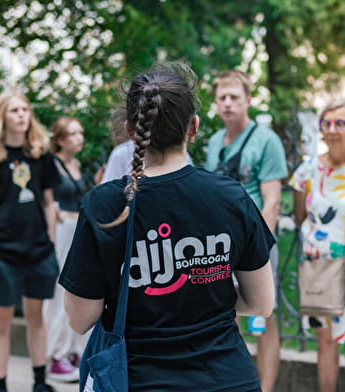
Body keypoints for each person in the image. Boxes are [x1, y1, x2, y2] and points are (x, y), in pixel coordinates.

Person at [59, 62, 275, 392]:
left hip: (138, 379)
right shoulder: (231, 196)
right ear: (194, 127)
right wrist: (202, 292)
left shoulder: (105, 204)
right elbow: (261, 303)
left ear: (131, 132)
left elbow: (79, 319)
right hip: (228, 379)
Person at [205, 69, 287, 392]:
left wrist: (257, 252)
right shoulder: (213, 143)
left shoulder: (267, 141)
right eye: (222, 98)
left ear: (248, 100)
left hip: (255, 247)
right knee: (227, 319)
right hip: (220, 247)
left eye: (234, 97)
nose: (227, 103)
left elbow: (273, 201)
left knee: (263, 321)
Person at [290, 99, 345, 392]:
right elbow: (300, 215)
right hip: (320, 268)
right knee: (325, 342)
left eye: (340, 123)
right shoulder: (307, 171)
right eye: (326, 123)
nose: (332, 130)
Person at [0, 90, 60, 392]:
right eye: (15, 110)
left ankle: (40, 382)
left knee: (36, 317)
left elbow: (48, 202)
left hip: (39, 251)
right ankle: (1, 385)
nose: (21, 115)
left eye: (25, 110)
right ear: (2, 116)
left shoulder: (39, 154)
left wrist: (51, 242)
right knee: (2, 320)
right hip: (3, 251)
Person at [43, 116, 88, 382]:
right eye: (72, 134)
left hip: (76, 230)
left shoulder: (77, 164)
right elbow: (47, 203)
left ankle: (73, 350)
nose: (78, 137)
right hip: (60, 233)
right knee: (59, 294)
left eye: (80, 132)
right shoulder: (52, 165)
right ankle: (55, 354)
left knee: (76, 291)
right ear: (59, 139)